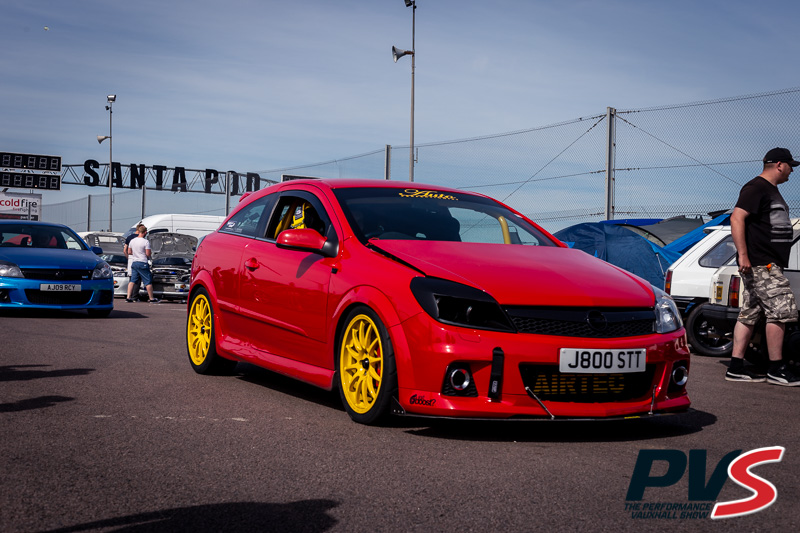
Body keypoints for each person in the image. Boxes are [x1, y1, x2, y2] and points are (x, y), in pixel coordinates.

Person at [727, 147, 800, 386]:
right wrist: (743, 256)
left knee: (750, 314)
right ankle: (777, 369)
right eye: (790, 166)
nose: (792, 171)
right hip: (763, 264)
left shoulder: (770, 190)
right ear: (779, 165)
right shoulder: (756, 187)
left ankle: (736, 367)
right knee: (781, 311)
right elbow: (736, 218)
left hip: (764, 264)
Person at [126, 225, 159, 303]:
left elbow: (129, 252)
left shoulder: (132, 241)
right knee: (148, 281)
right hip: (142, 262)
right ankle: (151, 298)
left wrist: (136, 253)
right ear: (145, 232)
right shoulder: (145, 242)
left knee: (132, 281)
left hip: (134, 262)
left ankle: (128, 297)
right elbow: (148, 254)